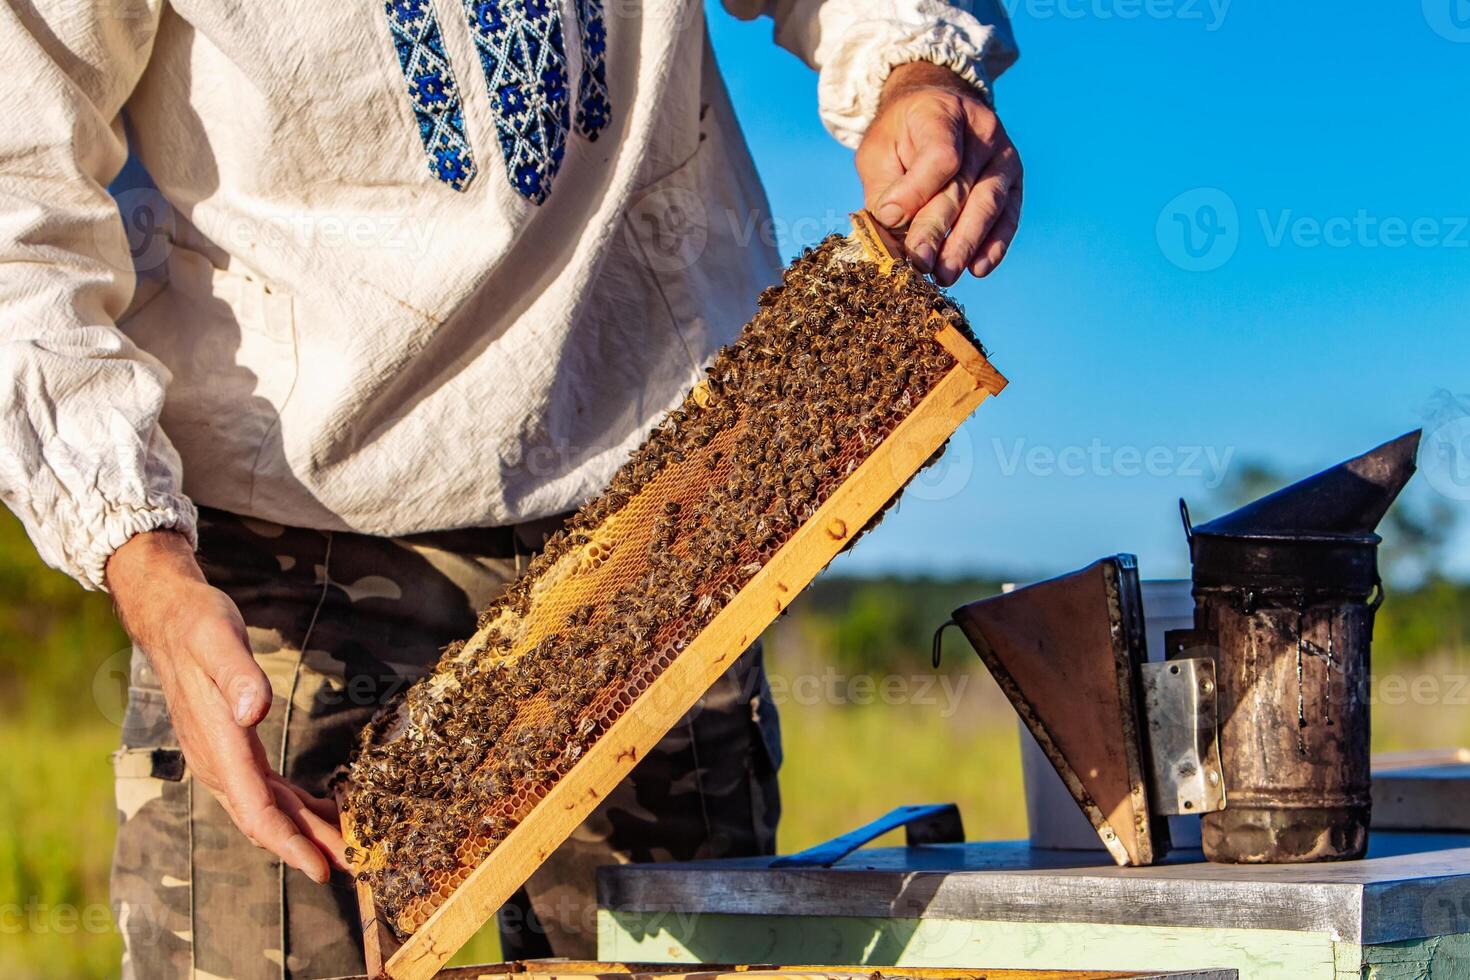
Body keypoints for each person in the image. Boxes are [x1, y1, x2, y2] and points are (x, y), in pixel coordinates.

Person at [0, 0, 1022, 975]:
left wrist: (913, 65)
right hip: (283, 558)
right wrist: (144, 563)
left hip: (661, 520)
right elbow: (19, 200)